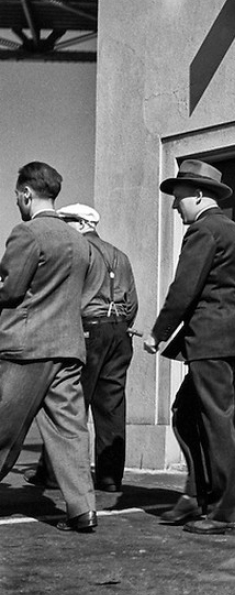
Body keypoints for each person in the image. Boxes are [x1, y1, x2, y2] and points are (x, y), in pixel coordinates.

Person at [143, 159, 235, 536]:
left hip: (210, 341)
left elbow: (184, 288)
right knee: (186, 414)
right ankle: (199, 495)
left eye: (179, 199)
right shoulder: (233, 231)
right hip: (228, 339)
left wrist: (158, 332)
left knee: (214, 423)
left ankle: (227, 513)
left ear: (199, 195)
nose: (175, 207)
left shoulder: (204, 231)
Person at [0, 162, 100, 532]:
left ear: (26, 193)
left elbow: (9, 290)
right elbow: (85, 294)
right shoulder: (81, 241)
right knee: (70, 429)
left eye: (17, 196)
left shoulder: (27, 233)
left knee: (4, 425)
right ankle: (82, 509)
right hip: (68, 347)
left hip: (26, 348)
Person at [25, 204, 138, 493]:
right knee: (111, 406)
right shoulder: (120, 255)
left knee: (67, 403)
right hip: (120, 332)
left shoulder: (78, 252)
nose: (63, 227)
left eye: (67, 222)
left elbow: (63, 296)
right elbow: (133, 304)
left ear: (83, 223)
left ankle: (53, 474)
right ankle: (109, 477)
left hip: (87, 330)